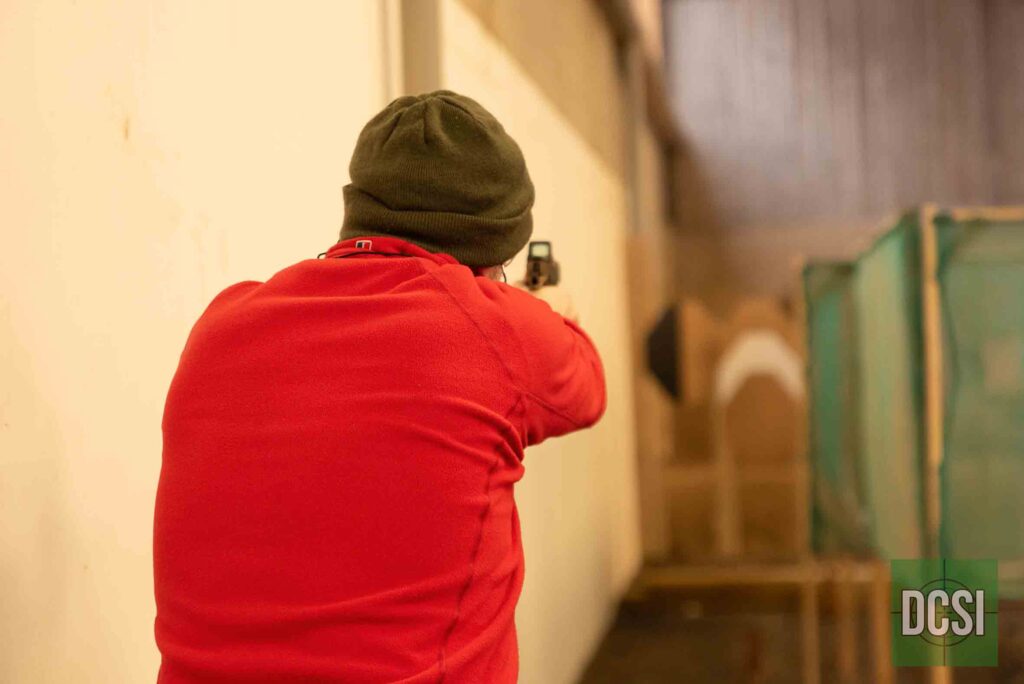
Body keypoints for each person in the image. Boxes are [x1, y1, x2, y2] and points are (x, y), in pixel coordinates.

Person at [153, 91, 606, 683]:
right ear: (490, 250)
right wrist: (545, 308)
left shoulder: (221, 323)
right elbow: (587, 387)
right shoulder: (496, 328)